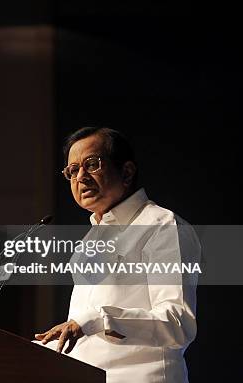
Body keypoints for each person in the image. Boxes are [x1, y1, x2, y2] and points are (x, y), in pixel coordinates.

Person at [35, 127, 198, 383]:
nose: (81, 177)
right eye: (73, 171)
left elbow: (177, 324)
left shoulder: (161, 225)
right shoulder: (88, 242)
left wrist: (97, 319)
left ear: (126, 171)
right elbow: (85, 335)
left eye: (91, 164)